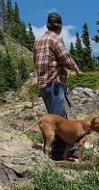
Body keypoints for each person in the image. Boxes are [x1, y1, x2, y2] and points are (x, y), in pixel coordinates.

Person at [33, 12, 80, 160]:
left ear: (48, 25)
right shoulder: (56, 39)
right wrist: (77, 70)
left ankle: (67, 149)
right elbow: (65, 59)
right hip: (54, 84)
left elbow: (35, 62)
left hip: (43, 85)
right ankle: (59, 153)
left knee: (58, 118)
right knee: (58, 120)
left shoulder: (38, 41)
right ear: (59, 27)